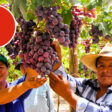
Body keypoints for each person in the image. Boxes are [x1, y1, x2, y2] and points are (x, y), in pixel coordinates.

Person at [49, 43, 112, 112]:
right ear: (96, 69)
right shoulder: (89, 85)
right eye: (101, 65)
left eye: (111, 66)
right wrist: (56, 61)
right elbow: (65, 81)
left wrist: (69, 96)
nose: (105, 70)